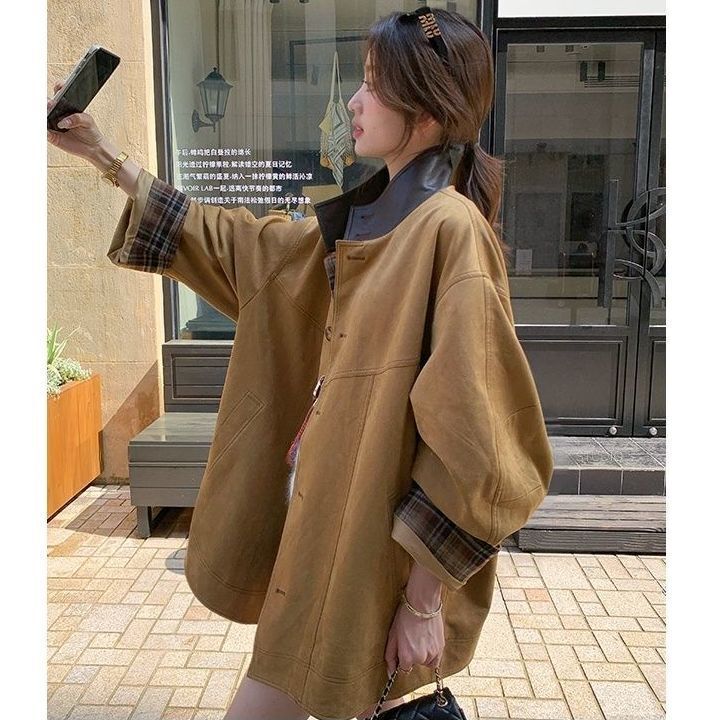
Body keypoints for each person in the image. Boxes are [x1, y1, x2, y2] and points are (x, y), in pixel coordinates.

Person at [48, 7, 553, 720]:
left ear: (428, 110)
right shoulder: (364, 223)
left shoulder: (448, 230)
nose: (353, 102)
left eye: (374, 85)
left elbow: (483, 445)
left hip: (374, 562)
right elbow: (246, 248)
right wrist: (104, 155)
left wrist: (422, 601)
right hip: (322, 538)